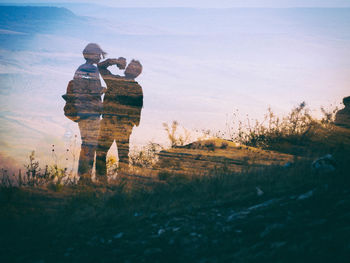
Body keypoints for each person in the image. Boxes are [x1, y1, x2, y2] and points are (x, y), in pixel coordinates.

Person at [63, 43, 118, 182]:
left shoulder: (80, 69)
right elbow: (93, 91)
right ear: (91, 54)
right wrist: (104, 90)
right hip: (91, 113)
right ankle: (85, 178)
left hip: (82, 112)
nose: (100, 56)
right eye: (98, 54)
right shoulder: (91, 69)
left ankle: (84, 177)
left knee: (86, 144)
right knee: (91, 145)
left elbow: (81, 89)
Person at [96, 59, 143, 180]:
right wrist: (114, 61)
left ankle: (122, 182)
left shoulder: (137, 88)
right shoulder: (114, 81)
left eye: (134, 68)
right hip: (107, 122)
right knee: (101, 152)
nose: (130, 68)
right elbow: (100, 67)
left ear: (137, 73)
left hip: (123, 125)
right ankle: (101, 182)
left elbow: (137, 110)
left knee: (123, 155)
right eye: (130, 66)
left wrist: (130, 125)